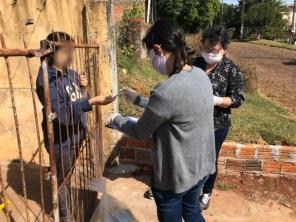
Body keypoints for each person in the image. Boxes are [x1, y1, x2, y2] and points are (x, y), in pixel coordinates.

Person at [106, 19, 216, 222]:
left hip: (176, 176)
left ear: (158, 49)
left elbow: (141, 131)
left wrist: (115, 119)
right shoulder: (200, 75)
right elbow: (176, 108)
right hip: (200, 168)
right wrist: (138, 100)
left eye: (150, 55)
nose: (151, 61)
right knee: (192, 212)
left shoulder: (166, 91)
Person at [36, 32, 116, 222]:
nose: (71, 56)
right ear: (51, 53)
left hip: (75, 136)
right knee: (61, 181)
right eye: (66, 51)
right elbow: (62, 115)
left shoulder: (70, 73)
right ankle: (64, 215)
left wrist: (84, 89)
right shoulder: (47, 80)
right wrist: (93, 101)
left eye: (72, 51)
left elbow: (77, 102)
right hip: (61, 140)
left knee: (67, 174)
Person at [193, 26, 245, 210]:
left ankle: (206, 192)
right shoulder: (194, 63)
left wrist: (218, 100)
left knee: (210, 158)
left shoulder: (232, 70)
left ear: (224, 49)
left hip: (217, 123)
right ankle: (189, 187)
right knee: (190, 155)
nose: (209, 53)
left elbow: (238, 99)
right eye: (206, 49)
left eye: (213, 50)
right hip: (192, 121)